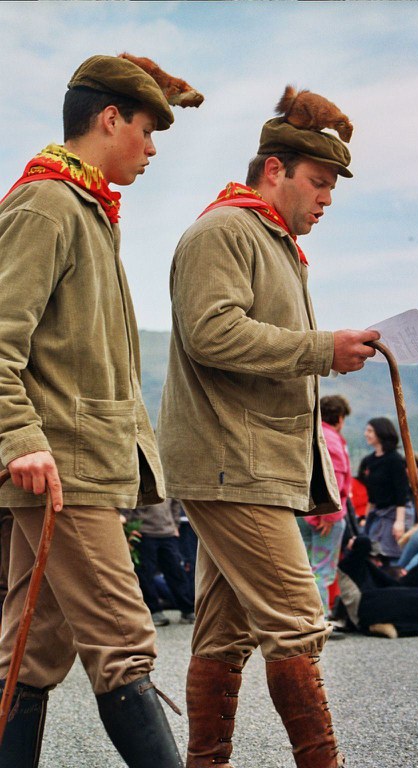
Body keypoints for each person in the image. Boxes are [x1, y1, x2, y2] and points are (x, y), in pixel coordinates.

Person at [157, 91, 380, 768]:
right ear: (275, 169)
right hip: (234, 461)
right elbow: (212, 334)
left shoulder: (271, 240)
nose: (328, 198)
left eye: (333, 186)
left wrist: (326, 349)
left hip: (249, 461)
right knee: (298, 623)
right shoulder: (225, 231)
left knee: (223, 634)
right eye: (318, 181)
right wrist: (323, 348)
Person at [0, 53, 200, 768]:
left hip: (76, 464)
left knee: (32, 648)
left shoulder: (84, 207)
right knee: (124, 643)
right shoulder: (48, 204)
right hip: (62, 468)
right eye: (147, 131)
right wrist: (19, 436)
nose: (152, 150)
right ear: (110, 119)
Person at [297, 395, 351, 622]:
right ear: (339, 418)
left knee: (305, 568)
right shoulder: (332, 440)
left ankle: (304, 616)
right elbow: (334, 478)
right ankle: (320, 618)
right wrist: (328, 514)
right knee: (321, 570)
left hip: (303, 511)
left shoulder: (310, 433)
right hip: (325, 516)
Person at [122, 500, 195, 628]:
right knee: (145, 574)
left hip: (168, 532)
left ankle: (187, 609)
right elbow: (128, 502)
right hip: (143, 532)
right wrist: (129, 527)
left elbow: (175, 502)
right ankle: (154, 611)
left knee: (177, 571)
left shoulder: (167, 486)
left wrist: (175, 524)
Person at [361, 417, 414, 563]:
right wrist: (367, 517)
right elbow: (372, 495)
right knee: (373, 552)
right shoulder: (369, 460)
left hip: (394, 512)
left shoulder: (395, 460)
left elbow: (401, 492)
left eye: (370, 431)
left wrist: (399, 522)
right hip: (378, 512)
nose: (366, 434)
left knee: (390, 554)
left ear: (381, 433)